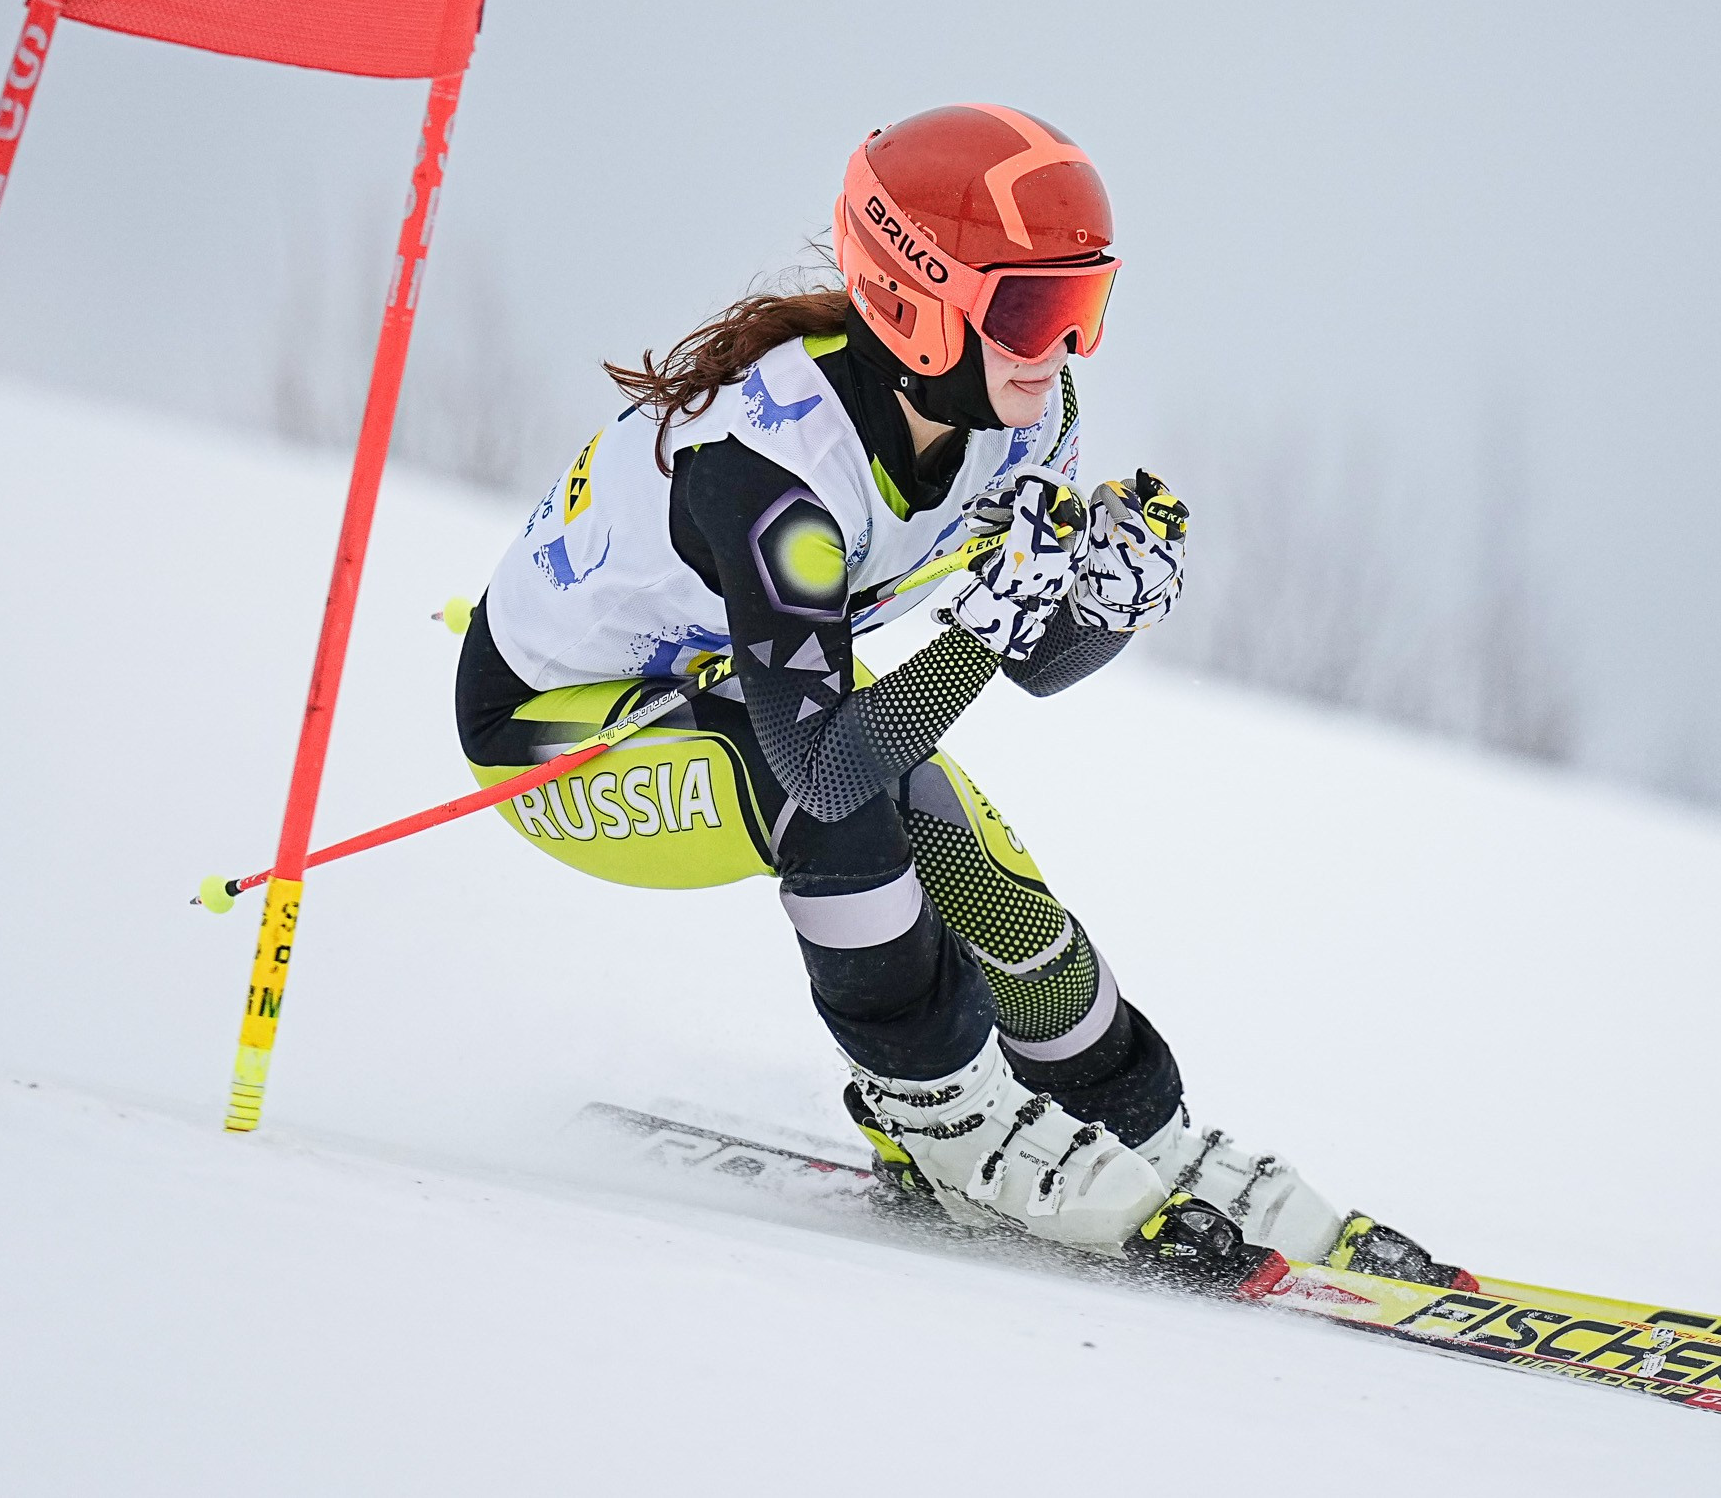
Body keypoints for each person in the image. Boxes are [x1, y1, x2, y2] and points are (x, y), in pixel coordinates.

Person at [460, 103, 1468, 1290]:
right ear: (916, 306)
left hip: (734, 689)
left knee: (970, 862)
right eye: (1032, 313)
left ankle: (1143, 1129)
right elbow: (826, 772)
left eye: (1083, 308)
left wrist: (1098, 611)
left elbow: (1032, 663)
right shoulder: (774, 470)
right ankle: (940, 1111)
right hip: (557, 735)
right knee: (836, 807)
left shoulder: (1023, 424)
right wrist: (985, 636)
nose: (1062, 352)